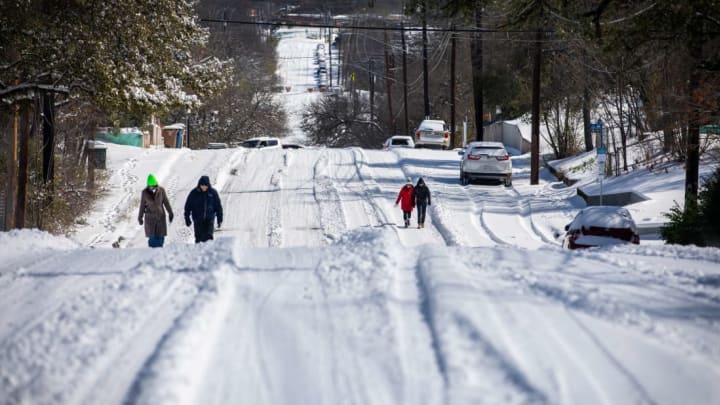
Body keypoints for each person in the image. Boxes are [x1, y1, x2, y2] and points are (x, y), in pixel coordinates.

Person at [184, 175, 223, 243]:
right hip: (198, 220)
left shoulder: (213, 193)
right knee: (199, 239)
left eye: (205, 186)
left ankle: (208, 252)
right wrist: (187, 219)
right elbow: (187, 207)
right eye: (202, 186)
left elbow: (218, 207)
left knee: (209, 237)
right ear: (199, 185)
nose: (204, 187)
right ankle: (198, 253)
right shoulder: (194, 193)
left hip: (209, 219)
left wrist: (219, 219)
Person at [138, 174, 174, 248]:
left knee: (160, 239)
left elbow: (166, 202)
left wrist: (170, 213)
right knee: (153, 240)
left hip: (160, 218)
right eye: (150, 186)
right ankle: (152, 256)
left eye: (153, 186)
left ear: (155, 184)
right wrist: (140, 217)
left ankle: (159, 256)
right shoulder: (144, 193)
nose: (151, 188)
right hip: (150, 219)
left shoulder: (161, 190)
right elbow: (142, 206)